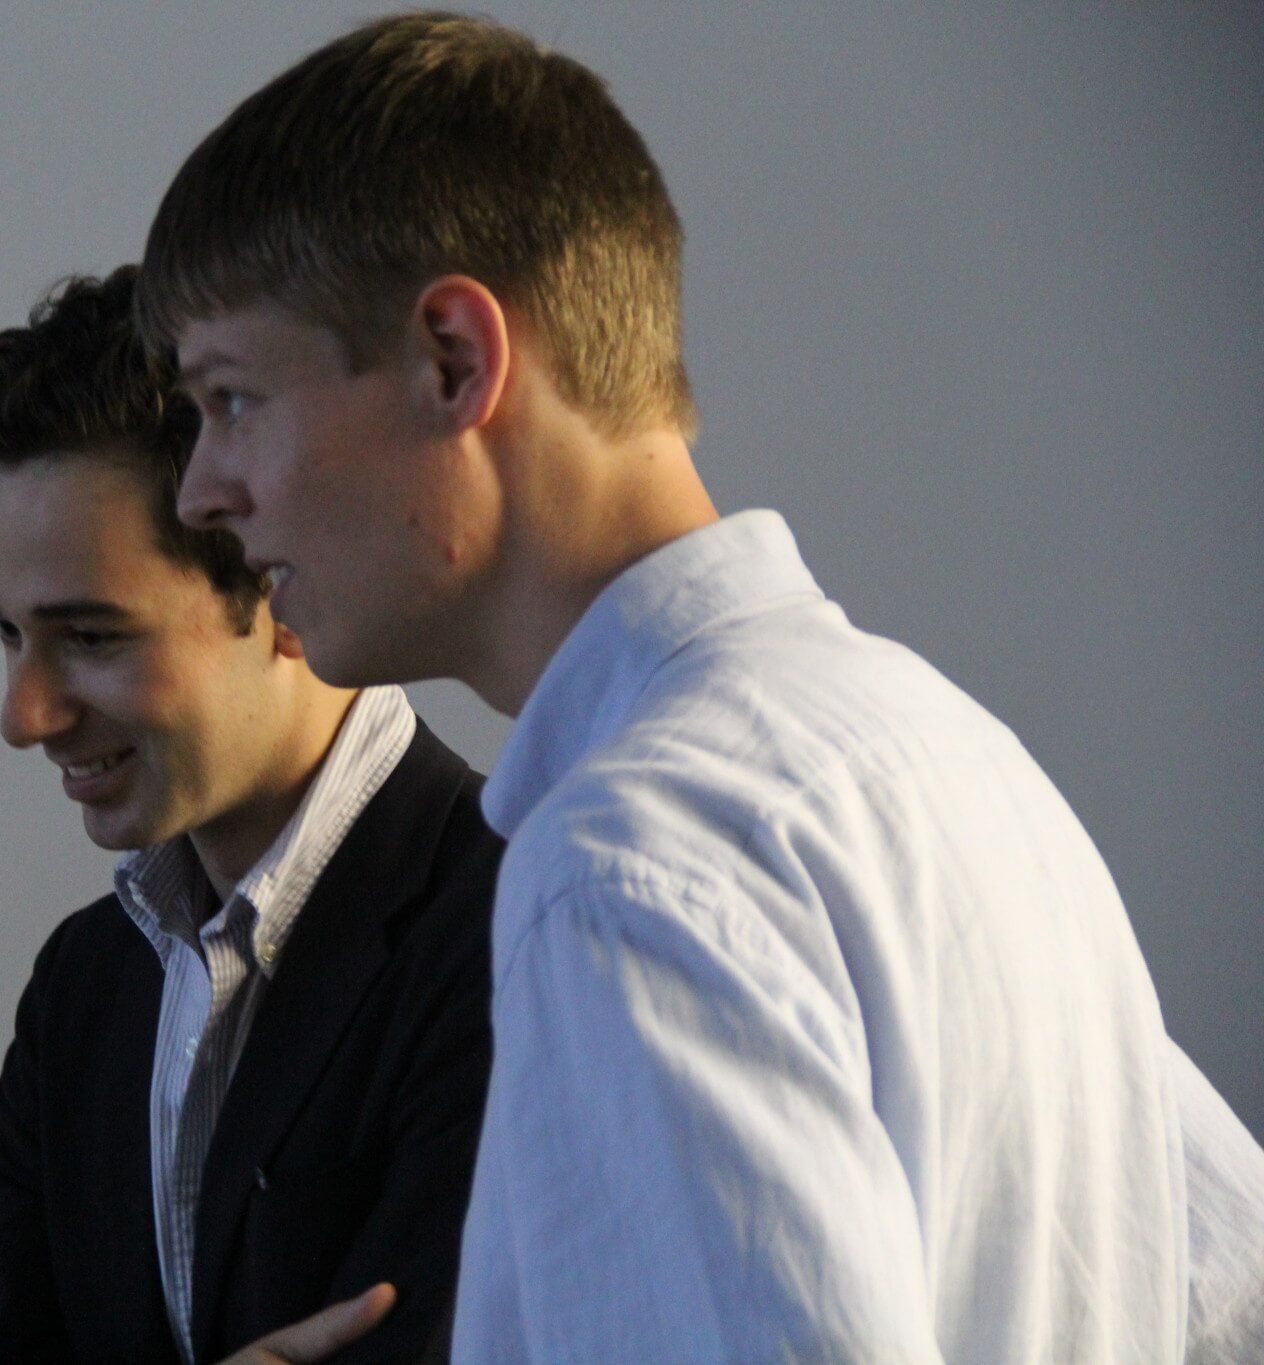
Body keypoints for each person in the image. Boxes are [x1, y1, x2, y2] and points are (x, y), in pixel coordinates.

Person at [135, 12, 1263, 1361]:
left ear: (453, 361)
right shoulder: (954, 757)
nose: (200, 492)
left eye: (232, 400)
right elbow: (1232, 1295)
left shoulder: (627, 864)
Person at [0, 266, 504, 1364]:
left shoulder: (519, 935)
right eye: (8, 632)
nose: (24, 715)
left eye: (92, 638)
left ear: (281, 583)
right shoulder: (85, 988)